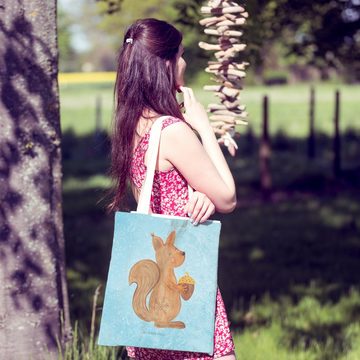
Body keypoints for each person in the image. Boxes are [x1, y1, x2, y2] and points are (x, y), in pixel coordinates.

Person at [107, 18, 237, 360]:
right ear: (165, 64)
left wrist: (197, 195)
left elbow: (154, 195)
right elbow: (228, 197)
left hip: (150, 309)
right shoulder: (173, 131)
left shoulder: (133, 125)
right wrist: (204, 127)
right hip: (183, 287)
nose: (184, 63)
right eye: (180, 55)